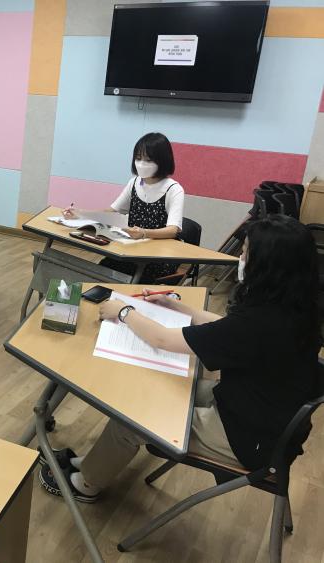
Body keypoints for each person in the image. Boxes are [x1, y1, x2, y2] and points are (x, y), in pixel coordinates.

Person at [39, 215, 321, 502]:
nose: (240, 258)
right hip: (261, 412)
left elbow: (163, 340)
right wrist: (178, 307)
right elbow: (226, 327)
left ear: (267, 266)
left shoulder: (260, 322)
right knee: (165, 386)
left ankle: (86, 483)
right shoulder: (294, 307)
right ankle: (92, 463)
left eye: (246, 252)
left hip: (248, 439)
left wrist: (124, 312)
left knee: (130, 419)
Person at [63, 132, 185, 283]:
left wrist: (144, 233)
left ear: (163, 161)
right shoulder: (134, 182)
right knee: (101, 273)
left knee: (132, 280)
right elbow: (112, 211)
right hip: (129, 250)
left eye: (148, 160)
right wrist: (80, 214)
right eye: (138, 158)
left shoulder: (173, 189)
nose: (141, 164)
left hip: (156, 257)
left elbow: (173, 230)